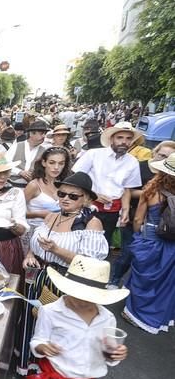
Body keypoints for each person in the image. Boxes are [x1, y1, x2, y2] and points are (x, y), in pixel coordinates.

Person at [25, 255, 129, 379]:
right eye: (76, 294)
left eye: (87, 297)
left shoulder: (107, 319)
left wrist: (115, 354)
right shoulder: (50, 311)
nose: (80, 301)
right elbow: (37, 340)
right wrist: (42, 347)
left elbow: (108, 352)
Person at [20, 172, 109, 375]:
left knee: (56, 327)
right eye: (62, 194)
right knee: (32, 320)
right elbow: (36, 241)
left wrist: (56, 250)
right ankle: (28, 362)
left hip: (65, 283)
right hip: (38, 277)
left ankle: (52, 371)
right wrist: (30, 254)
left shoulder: (90, 223)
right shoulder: (52, 215)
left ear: (85, 199)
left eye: (73, 196)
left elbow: (90, 264)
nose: (65, 199)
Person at [109, 141, 175, 288]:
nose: (163, 158)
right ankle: (115, 280)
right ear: (154, 152)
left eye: (168, 157)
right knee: (130, 255)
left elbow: (139, 218)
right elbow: (126, 189)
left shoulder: (153, 190)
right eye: (162, 155)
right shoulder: (140, 167)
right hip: (136, 220)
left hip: (150, 232)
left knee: (144, 267)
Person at [122, 152, 175, 333]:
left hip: (150, 240)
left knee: (143, 278)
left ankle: (134, 313)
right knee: (163, 283)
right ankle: (155, 316)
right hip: (172, 245)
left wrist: (139, 236)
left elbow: (137, 219)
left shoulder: (151, 190)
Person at [72, 121, 141, 245]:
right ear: (111, 139)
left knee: (103, 243)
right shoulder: (93, 154)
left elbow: (126, 189)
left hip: (113, 211)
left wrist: (125, 210)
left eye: (128, 138)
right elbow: (75, 178)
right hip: (88, 206)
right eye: (120, 137)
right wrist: (94, 194)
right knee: (80, 241)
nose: (124, 142)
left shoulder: (133, 162)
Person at [6, 119, 49, 188]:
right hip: (13, 186)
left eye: (45, 133)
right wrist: (19, 172)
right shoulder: (17, 146)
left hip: (33, 188)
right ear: (31, 133)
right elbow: (5, 164)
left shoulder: (44, 151)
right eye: (41, 133)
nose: (44, 136)